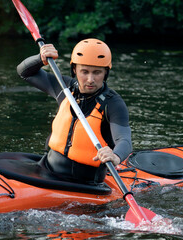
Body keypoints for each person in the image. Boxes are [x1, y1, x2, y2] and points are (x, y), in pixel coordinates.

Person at [16, 38, 132, 184]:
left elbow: (125, 140)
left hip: (84, 183)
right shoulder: (64, 87)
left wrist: (115, 156)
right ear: (74, 70)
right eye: (84, 71)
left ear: (105, 73)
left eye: (97, 72)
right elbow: (25, 72)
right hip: (47, 169)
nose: (90, 79)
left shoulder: (113, 103)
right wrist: (40, 59)